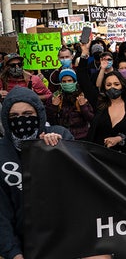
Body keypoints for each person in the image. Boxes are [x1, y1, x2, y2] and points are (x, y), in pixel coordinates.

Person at [0, 87, 73, 259]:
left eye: (27, 113)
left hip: (64, 239)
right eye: (14, 116)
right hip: (23, 244)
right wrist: (13, 253)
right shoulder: (2, 152)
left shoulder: (60, 135)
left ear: (39, 115)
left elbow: (77, 185)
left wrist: (60, 151)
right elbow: (1, 213)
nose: (21, 120)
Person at [87, 71, 126, 156]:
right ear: (104, 87)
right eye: (108, 85)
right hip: (100, 158)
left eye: (116, 84)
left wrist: (119, 139)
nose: (112, 87)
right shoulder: (99, 106)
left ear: (122, 86)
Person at [45, 68, 94, 140]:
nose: (67, 83)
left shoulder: (82, 96)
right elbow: (50, 120)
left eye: (69, 81)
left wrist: (83, 106)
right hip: (62, 137)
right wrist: (54, 106)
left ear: (74, 81)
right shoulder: (55, 97)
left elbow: (91, 119)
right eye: (64, 81)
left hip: (81, 138)